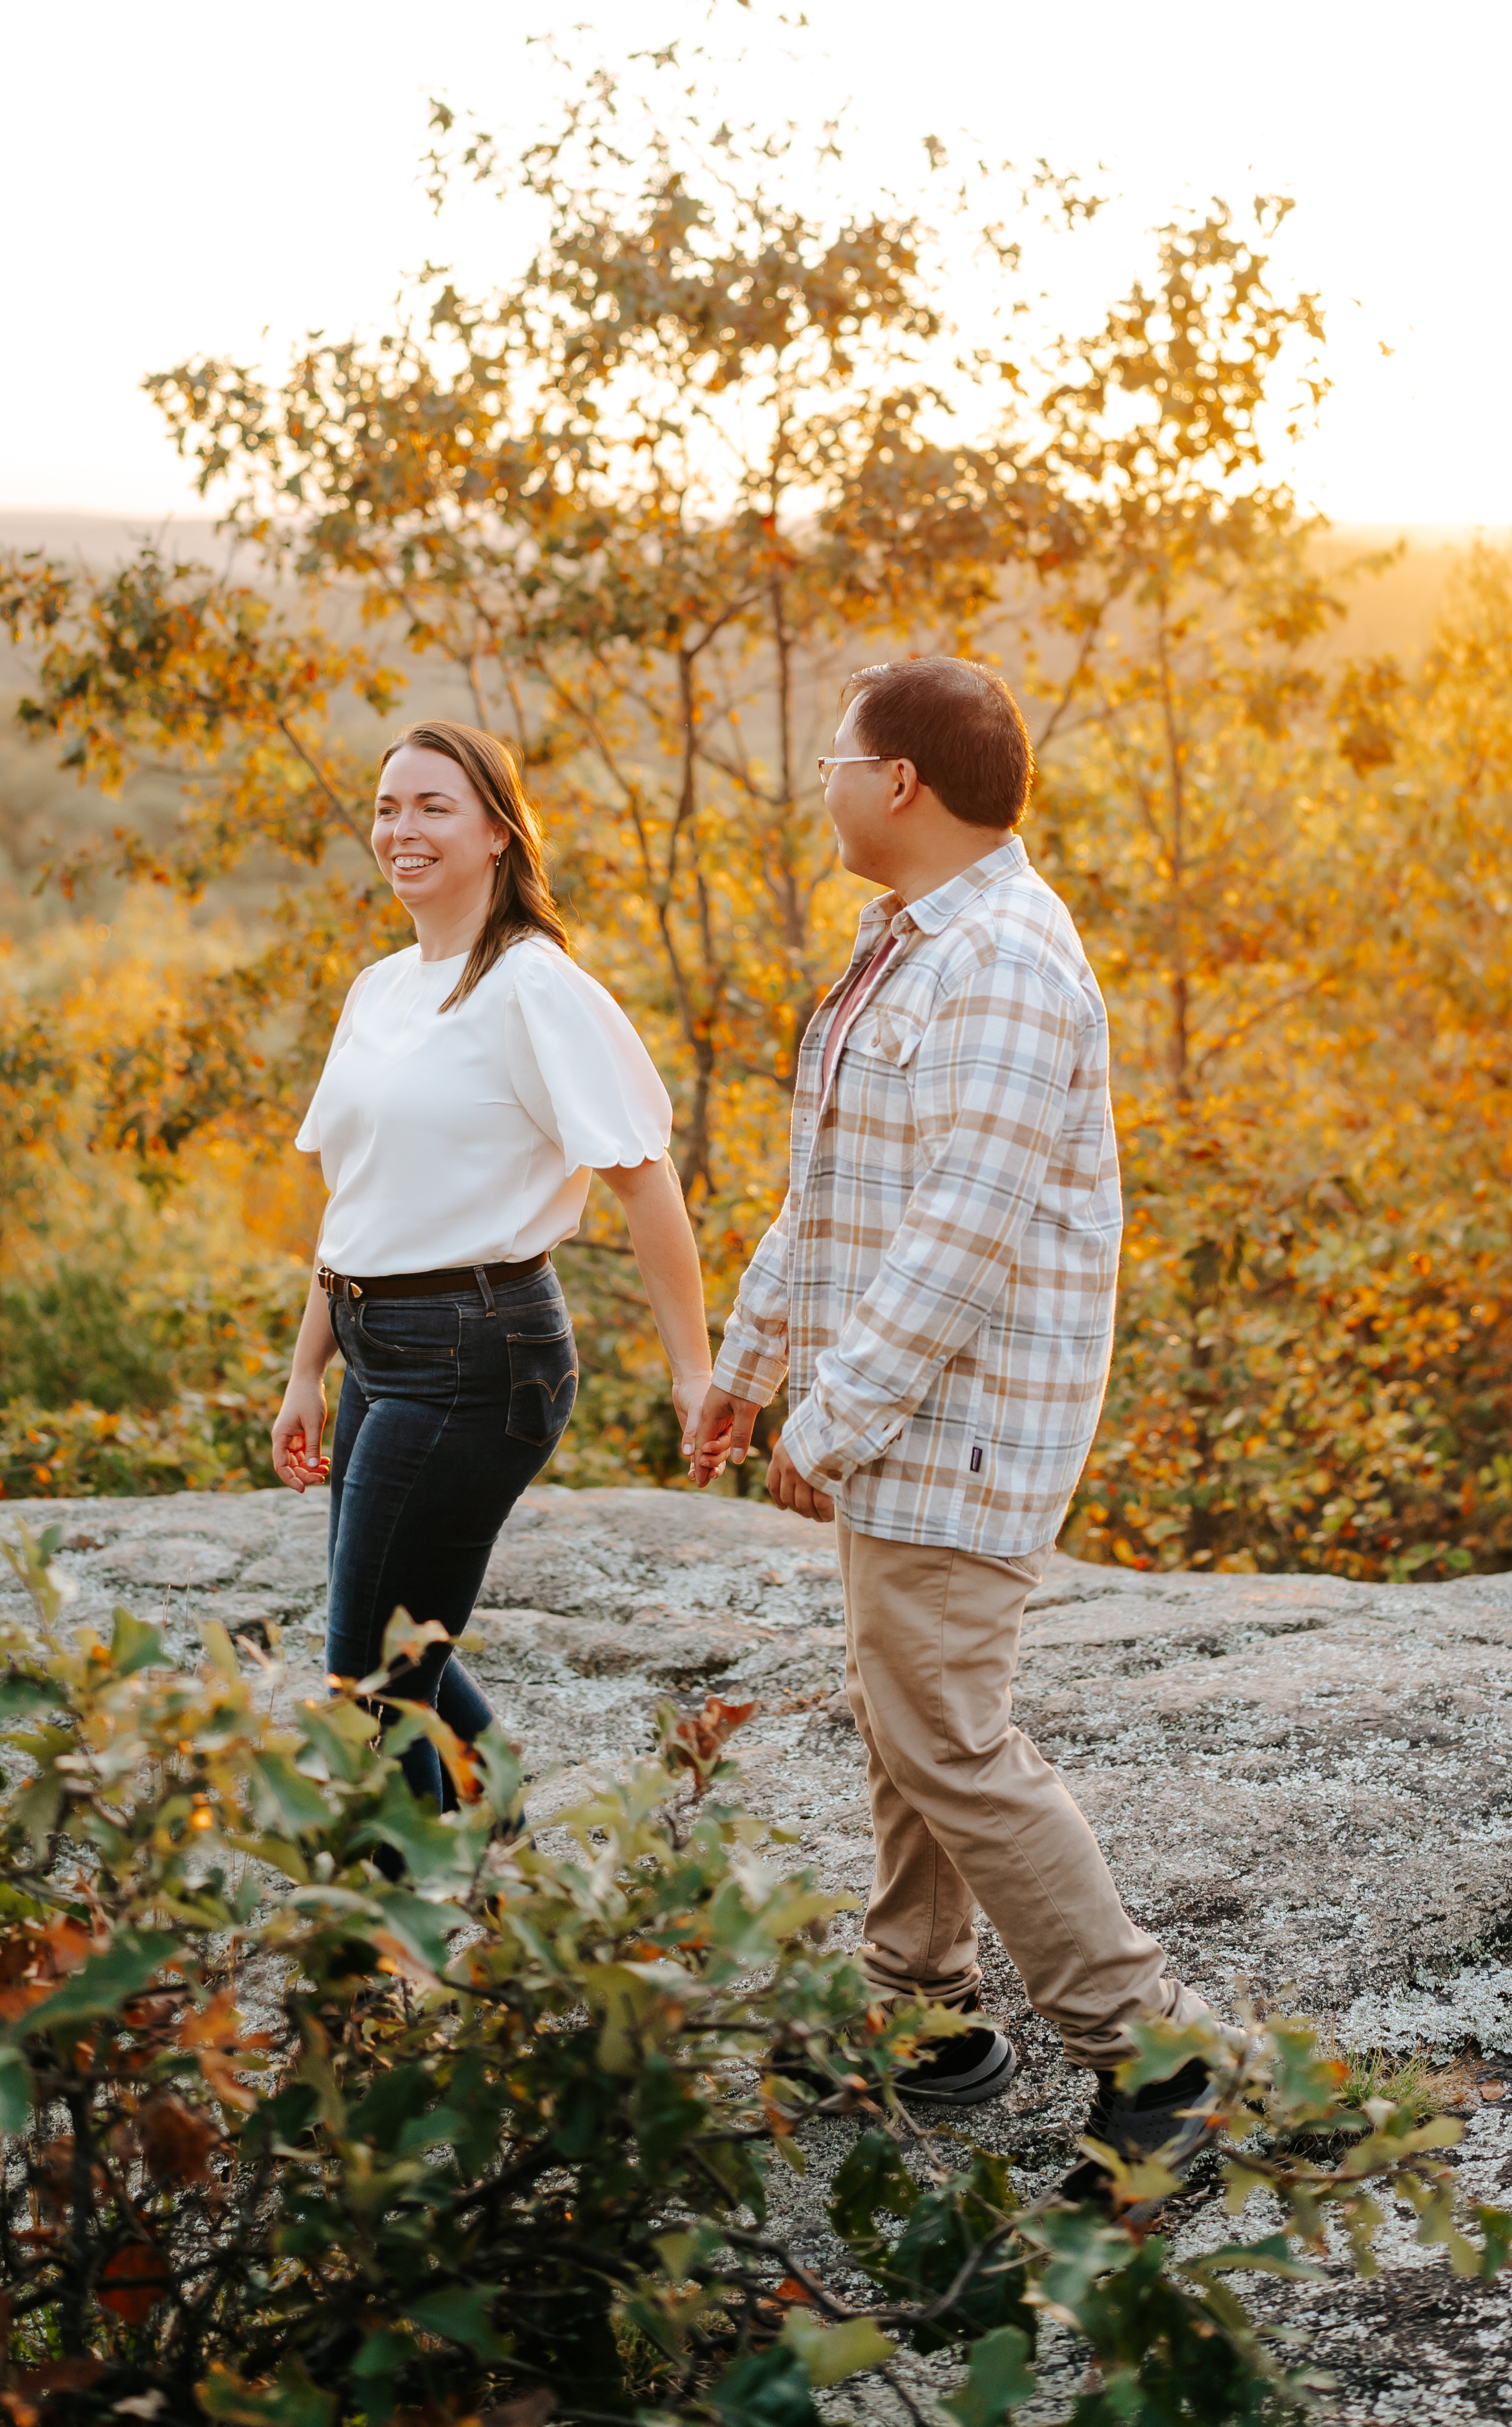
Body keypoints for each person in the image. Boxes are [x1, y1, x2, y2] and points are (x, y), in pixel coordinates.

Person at [686, 656, 1221, 2197]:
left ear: (901, 783)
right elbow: (842, 1192)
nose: (827, 790)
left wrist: (831, 1413)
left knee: (948, 1734)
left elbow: (959, 1235)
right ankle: (923, 2019)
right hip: (913, 1416)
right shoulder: (917, 947)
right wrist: (753, 1356)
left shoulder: (1000, 967)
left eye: (836, 765)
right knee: (903, 1704)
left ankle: (1154, 2057)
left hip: (960, 1421)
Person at [273, 719, 712, 1808]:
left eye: (434, 808)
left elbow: (644, 1177)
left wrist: (695, 1374)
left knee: (369, 1672)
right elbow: (358, 1207)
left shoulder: (532, 985)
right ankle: (492, 1807)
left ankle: (387, 1933)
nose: (402, 830)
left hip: (479, 1356)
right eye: (388, 808)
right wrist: (306, 1370)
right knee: (390, 1644)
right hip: (379, 1348)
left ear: (499, 837)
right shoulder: (379, 989)